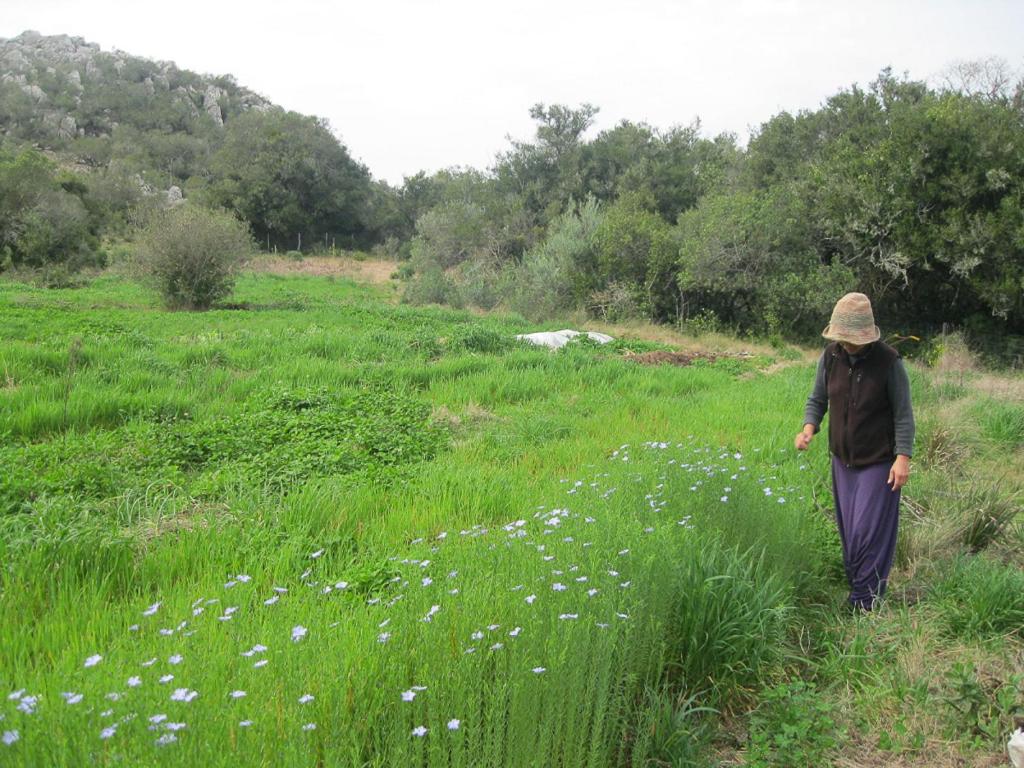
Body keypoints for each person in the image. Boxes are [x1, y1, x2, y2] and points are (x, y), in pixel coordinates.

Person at [795, 292, 915, 612]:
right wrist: (808, 429)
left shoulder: (888, 363)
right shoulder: (831, 357)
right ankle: (861, 590)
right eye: (842, 338)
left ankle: (865, 602)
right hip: (842, 460)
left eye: (851, 340)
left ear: (866, 336)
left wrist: (903, 457)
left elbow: (903, 414)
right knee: (849, 531)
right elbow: (817, 400)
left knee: (867, 531)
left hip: (879, 461)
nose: (845, 344)